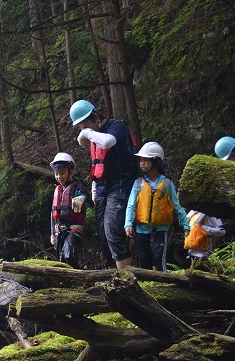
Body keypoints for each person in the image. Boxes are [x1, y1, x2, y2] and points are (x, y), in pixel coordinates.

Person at [70, 99, 138, 269]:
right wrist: (93, 188)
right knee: (103, 233)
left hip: (121, 181)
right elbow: (96, 163)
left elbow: (108, 142)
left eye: (85, 124)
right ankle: (113, 277)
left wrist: (86, 133)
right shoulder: (94, 135)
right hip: (101, 186)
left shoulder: (117, 126)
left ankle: (126, 279)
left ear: (95, 116)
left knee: (113, 229)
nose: (83, 128)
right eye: (80, 126)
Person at [123, 142, 190, 271]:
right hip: (141, 228)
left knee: (159, 257)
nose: (142, 163)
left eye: (145, 161)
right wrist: (128, 223)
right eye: (140, 160)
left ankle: (162, 283)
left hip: (161, 228)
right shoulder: (138, 183)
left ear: (156, 162)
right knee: (144, 258)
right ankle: (146, 284)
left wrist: (186, 225)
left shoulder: (166, 183)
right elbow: (131, 205)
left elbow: (177, 205)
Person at [49, 152, 88, 269]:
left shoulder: (78, 187)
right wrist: (52, 234)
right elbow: (53, 213)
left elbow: (89, 199)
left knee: (69, 255)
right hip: (59, 230)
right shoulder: (58, 189)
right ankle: (69, 283)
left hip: (74, 228)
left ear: (71, 172)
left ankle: (78, 278)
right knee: (61, 260)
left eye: (62, 173)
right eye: (56, 174)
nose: (59, 177)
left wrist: (83, 197)